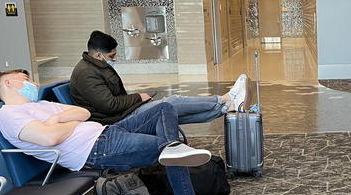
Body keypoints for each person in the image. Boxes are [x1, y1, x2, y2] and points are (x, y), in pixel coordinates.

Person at [0, 69, 231, 195]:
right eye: (25, 78)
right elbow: (49, 137)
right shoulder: (10, 115)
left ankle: (172, 147)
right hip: (97, 150)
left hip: (108, 131)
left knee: (165, 108)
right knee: (172, 153)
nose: (32, 83)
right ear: (9, 83)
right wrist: (59, 123)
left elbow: (83, 113)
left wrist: (59, 120)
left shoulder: (41, 105)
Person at [70, 30, 247, 125]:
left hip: (122, 112)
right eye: (112, 56)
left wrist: (136, 100)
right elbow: (110, 105)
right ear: (99, 55)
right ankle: (226, 98)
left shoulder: (95, 67)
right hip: (116, 119)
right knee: (171, 103)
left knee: (172, 114)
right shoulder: (86, 74)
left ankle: (227, 108)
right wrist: (138, 98)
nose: (115, 59)